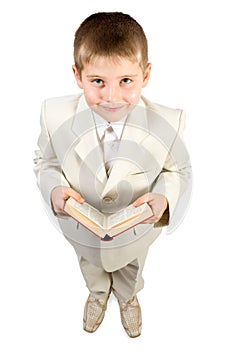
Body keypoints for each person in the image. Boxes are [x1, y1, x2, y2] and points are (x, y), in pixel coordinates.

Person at [34, 12, 191, 338]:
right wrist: (53, 190)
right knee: (90, 267)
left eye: (126, 81)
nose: (111, 96)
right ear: (78, 76)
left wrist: (164, 197)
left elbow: (174, 169)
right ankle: (97, 293)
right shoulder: (54, 114)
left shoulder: (169, 121)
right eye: (97, 82)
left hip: (135, 232)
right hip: (83, 228)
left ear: (145, 75)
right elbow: (45, 162)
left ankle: (128, 296)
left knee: (131, 269)